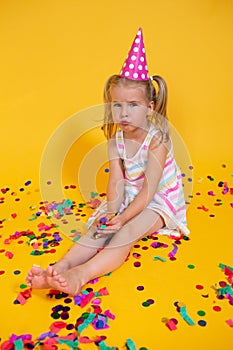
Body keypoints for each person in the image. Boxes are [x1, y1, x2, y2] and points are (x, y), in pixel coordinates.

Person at [26, 28, 189, 296]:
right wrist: (112, 213)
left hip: (159, 201)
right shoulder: (116, 141)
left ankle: (81, 275)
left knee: (126, 232)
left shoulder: (157, 141)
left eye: (133, 105)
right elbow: (116, 181)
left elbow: (148, 191)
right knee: (101, 228)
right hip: (131, 198)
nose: (124, 113)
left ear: (150, 108)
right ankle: (60, 267)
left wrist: (123, 219)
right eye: (117, 105)